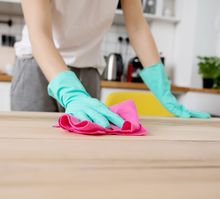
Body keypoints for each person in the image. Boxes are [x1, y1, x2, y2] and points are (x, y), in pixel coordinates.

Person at [11, 0, 210, 129]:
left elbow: (138, 26)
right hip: (37, 67)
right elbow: (39, 34)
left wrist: (164, 92)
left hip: (88, 70)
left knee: (83, 154)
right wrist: (71, 93)